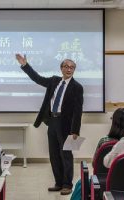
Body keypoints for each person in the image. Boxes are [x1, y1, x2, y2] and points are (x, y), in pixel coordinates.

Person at [15, 54, 83, 195]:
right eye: (66, 66)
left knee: (66, 155)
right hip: (52, 121)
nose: (69, 69)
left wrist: (75, 130)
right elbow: (37, 79)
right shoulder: (54, 81)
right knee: (53, 154)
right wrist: (25, 65)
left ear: (74, 70)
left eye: (72, 67)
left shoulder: (77, 87)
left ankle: (67, 184)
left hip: (66, 125)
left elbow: (78, 110)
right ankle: (58, 183)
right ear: (61, 68)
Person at [70, 108, 124, 200]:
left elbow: (94, 164)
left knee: (81, 184)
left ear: (114, 123)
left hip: (104, 184)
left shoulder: (104, 142)